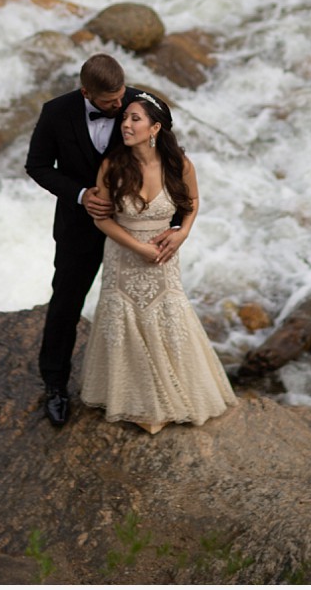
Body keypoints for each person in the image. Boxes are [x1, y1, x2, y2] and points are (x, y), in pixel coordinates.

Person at [25, 54, 179, 427]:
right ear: (86, 92)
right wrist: (79, 194)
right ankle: (56, 386)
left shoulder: (143, 107)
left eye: (121, 97)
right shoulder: (55, 113)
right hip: (79, 228)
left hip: (137, 227)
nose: (119, 107)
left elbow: (169, 162)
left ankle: (153, 389)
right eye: (110, 103)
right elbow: (38, 166)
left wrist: (175, 224)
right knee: (66, 303)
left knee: (146, 306)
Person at [80, 90, 236, 433]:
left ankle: (176, 394)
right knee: (125, 320)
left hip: (164, 255)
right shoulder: (113, 166)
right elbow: (102, 219)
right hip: (123, 256)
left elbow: (192, 202)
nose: (126, 124)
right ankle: (138, 401)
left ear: (155, 128)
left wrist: (182, 233)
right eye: (124, 118)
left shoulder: (179, 164)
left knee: (169, 316)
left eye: (135, 119)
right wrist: (137, 247)